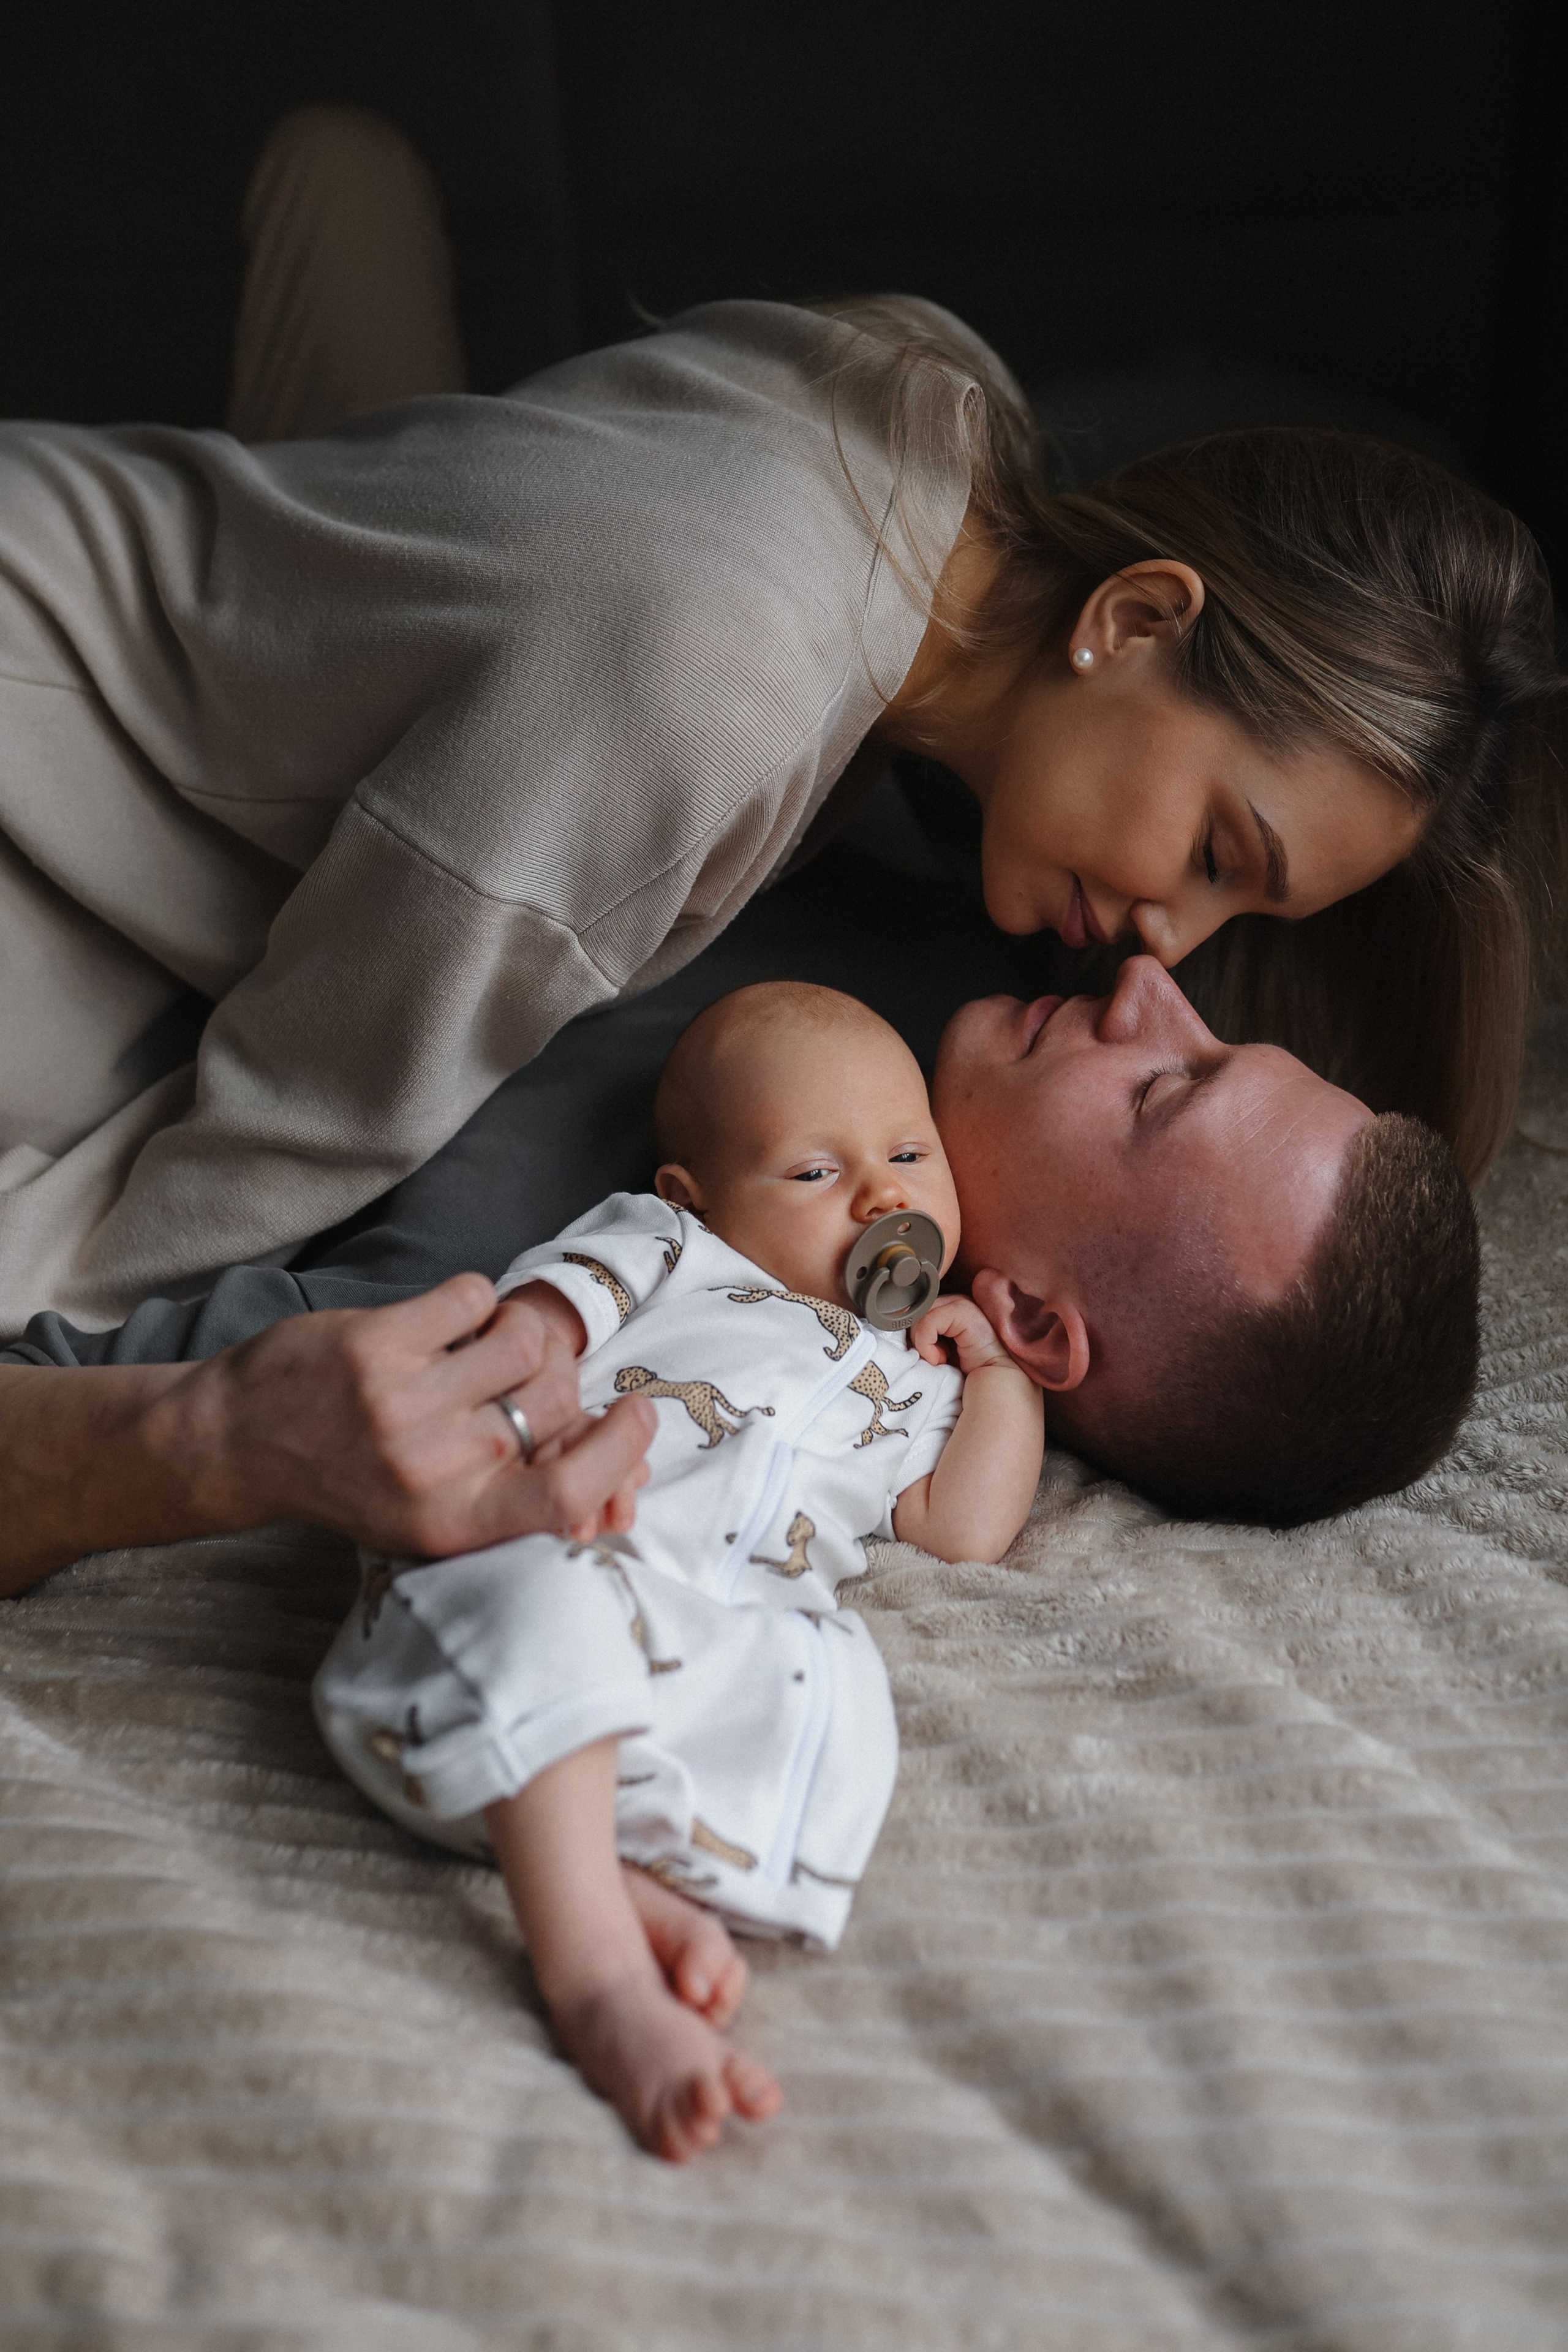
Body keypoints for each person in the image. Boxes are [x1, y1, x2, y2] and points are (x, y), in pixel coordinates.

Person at [0, 105, 1536, 1574]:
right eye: (1215, 851)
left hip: (196, 565)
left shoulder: (928, 402)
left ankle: (361, 312)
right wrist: (70, 1383)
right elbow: (293, 1121)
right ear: (1132, 617)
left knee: (383, 570)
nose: (1159, 958)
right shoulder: (703, 694)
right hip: (45, 734)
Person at [315, 983, 1045, 2162]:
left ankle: (595, 1862)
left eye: (911, 1153)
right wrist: (524, 1402)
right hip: (539, 1559)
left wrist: (1002, 1380)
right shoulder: (669, 1253)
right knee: (553, 1608)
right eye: (815, 1172)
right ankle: (597, 1976)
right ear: (694, 1198)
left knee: (828, 1689)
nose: (883, 1195)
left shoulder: (921, 1377)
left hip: (703, 1634)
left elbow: (962, 1528)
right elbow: (536, 1325)